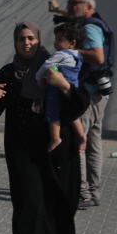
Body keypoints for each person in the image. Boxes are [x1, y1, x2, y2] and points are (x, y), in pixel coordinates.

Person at [0, 21, 87, 234]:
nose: (26, 43)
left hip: (57, 148)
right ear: (15, 43)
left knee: (60, 201)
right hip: (23, 149)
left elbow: (79, 105)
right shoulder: (8, 73)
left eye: (30, 39)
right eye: (21, 39)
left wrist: (62, 84)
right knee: (29, 203)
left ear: (38, 40)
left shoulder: (57, 65)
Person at [51, 0, 111, 210]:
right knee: (94, 142)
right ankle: (93, 192)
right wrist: (58, 9)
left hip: (88, 94)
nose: (69, 6)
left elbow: (98, 56)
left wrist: (72, 52)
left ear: (87, 7)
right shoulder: (92, 20)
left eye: (72, 3)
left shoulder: (91, 27)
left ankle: (82, 192)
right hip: (97, 93)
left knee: (81, 142)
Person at [36, 21, 86, 153]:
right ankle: (81, 136)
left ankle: (55, 138)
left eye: (60, 39)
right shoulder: (78, 55)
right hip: (72, 87)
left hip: (56, 89)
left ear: (72, 43)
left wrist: (38, 78)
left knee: (52, 112)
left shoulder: (61, 54)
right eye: (55, 39)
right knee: (72, 115)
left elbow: (46, 65)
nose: (56, 42)